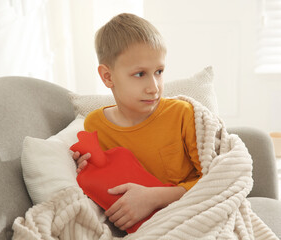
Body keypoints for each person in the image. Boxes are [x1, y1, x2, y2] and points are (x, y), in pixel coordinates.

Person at [72, 13, 202, 232]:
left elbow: (216, 181)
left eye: (159, 72)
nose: (154, 87)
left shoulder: (182, 114)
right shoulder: (95, 126)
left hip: (192, 215)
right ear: (108, 77)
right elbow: (106, 188)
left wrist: (154, 197)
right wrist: (83, 170)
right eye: (140, 74)